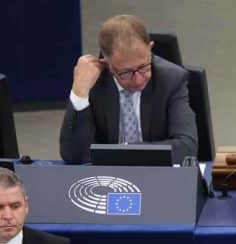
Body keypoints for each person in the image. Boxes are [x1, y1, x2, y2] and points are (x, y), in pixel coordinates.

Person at [59, 13, 197, 164]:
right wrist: (79, 94)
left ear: (150, 48)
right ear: (107, 63)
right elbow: (74, 156)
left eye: (143, 67)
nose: (138, 79)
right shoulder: (93, 82)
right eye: (125, 72)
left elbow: (186, 148)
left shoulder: (172, 80)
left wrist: (123, 153)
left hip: (156, 173)